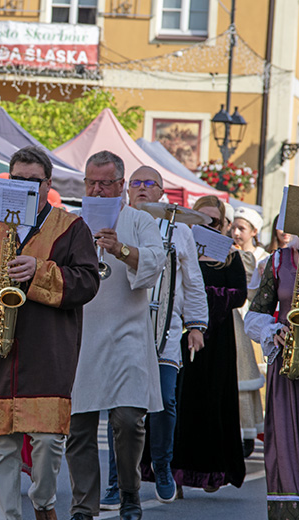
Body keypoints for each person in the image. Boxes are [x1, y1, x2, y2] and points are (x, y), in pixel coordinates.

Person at [0, 146, 100, 520]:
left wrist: (39, 271)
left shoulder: (72, 228)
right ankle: (7, 515)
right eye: (16, 180)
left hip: (48, 351)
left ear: (48, 184)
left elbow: (88, 282)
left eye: (32, 182)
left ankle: (43, 501)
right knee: (2, 447)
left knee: (49, 443)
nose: (23, 188)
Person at [100, 166, 207, 507]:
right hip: (123, 326)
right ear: (127, 189)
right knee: (119, 408)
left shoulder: (180, 232)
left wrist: (196, 325)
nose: (143, 188)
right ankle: (117, 481)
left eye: (150, 184)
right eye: (137, 183)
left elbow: (192, 281)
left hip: (166, 329)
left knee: (165, 402)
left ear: (161, 192)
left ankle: (162, 466)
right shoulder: (115, 223)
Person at [66, 151, 164, 520]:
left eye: (105, 183)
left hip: (128, 334)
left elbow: (156, 263)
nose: (96, 189)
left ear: (121, 185)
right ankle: (83, 505)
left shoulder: (139, 220)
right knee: (79, 427)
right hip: (82, 334)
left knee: (127, 420)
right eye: (90, 182)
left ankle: (129, 491)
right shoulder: (73, 222)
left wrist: (121, 249)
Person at [171, 195, 247, 493]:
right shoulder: (178, 249)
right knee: (178, 401)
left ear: (222, 224)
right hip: (180, 334)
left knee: (212, 403)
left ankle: (211, 471)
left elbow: (239, 293)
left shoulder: (229, 255)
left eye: (213, 221)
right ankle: (174, 471)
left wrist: (206, 296)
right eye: (200, 220)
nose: (206, 226)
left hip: (217, 341)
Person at [244, 234, 299, 519]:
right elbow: (255, 315)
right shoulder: (279, 261)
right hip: (289, 367)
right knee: (286, 447)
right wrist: (273, 330)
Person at [230, 206, 268, 456]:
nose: (235, 233)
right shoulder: (227, 253)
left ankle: (251, 431)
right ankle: (237, 432)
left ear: (254, 231)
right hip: (234, 321)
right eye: (233, 227)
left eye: (241, 228)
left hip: (252, 321)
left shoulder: (263, 258)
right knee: (238, 378)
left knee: (251, 382)